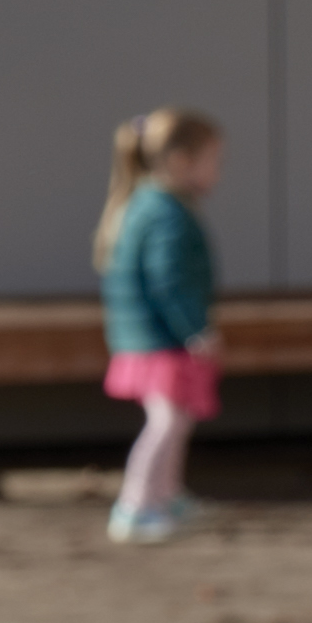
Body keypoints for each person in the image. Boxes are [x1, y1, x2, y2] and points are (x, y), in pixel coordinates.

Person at [96, 106, 227, 546]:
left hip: (152, 335)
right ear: (180, 161)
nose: (217, 171)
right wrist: (195, 330)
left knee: (177, 417)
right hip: (159, 338)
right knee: (167, 419)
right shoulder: (164, 213)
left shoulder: (150, 204)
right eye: (212, 159)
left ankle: (166, 497)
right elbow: (169, 282)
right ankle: (134, 507)